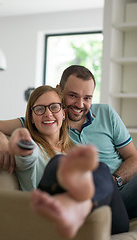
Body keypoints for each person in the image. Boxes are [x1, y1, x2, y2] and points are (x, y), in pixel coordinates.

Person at [0, 65, 137, 219]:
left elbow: (133, 157)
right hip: (90, 202)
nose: (80, 104)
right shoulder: (42, 122)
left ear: (62, 112)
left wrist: (114, 181)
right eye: (73, 96)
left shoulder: (105, 114)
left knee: (98, 169)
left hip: (117, 189)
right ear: (60, 91)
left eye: (87, 98)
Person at [8, 85, 129, 237]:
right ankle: (72, 207)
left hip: (104, 218)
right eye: (39, 109)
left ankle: (81, 207)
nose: (48, 114)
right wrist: (21, 141)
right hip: (48, 217)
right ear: (31, 117)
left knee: (101, 167)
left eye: (54, 107)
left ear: (63, 113)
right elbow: (26, 156)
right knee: (59, 162)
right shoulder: (35, 149)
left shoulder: (75, 149)